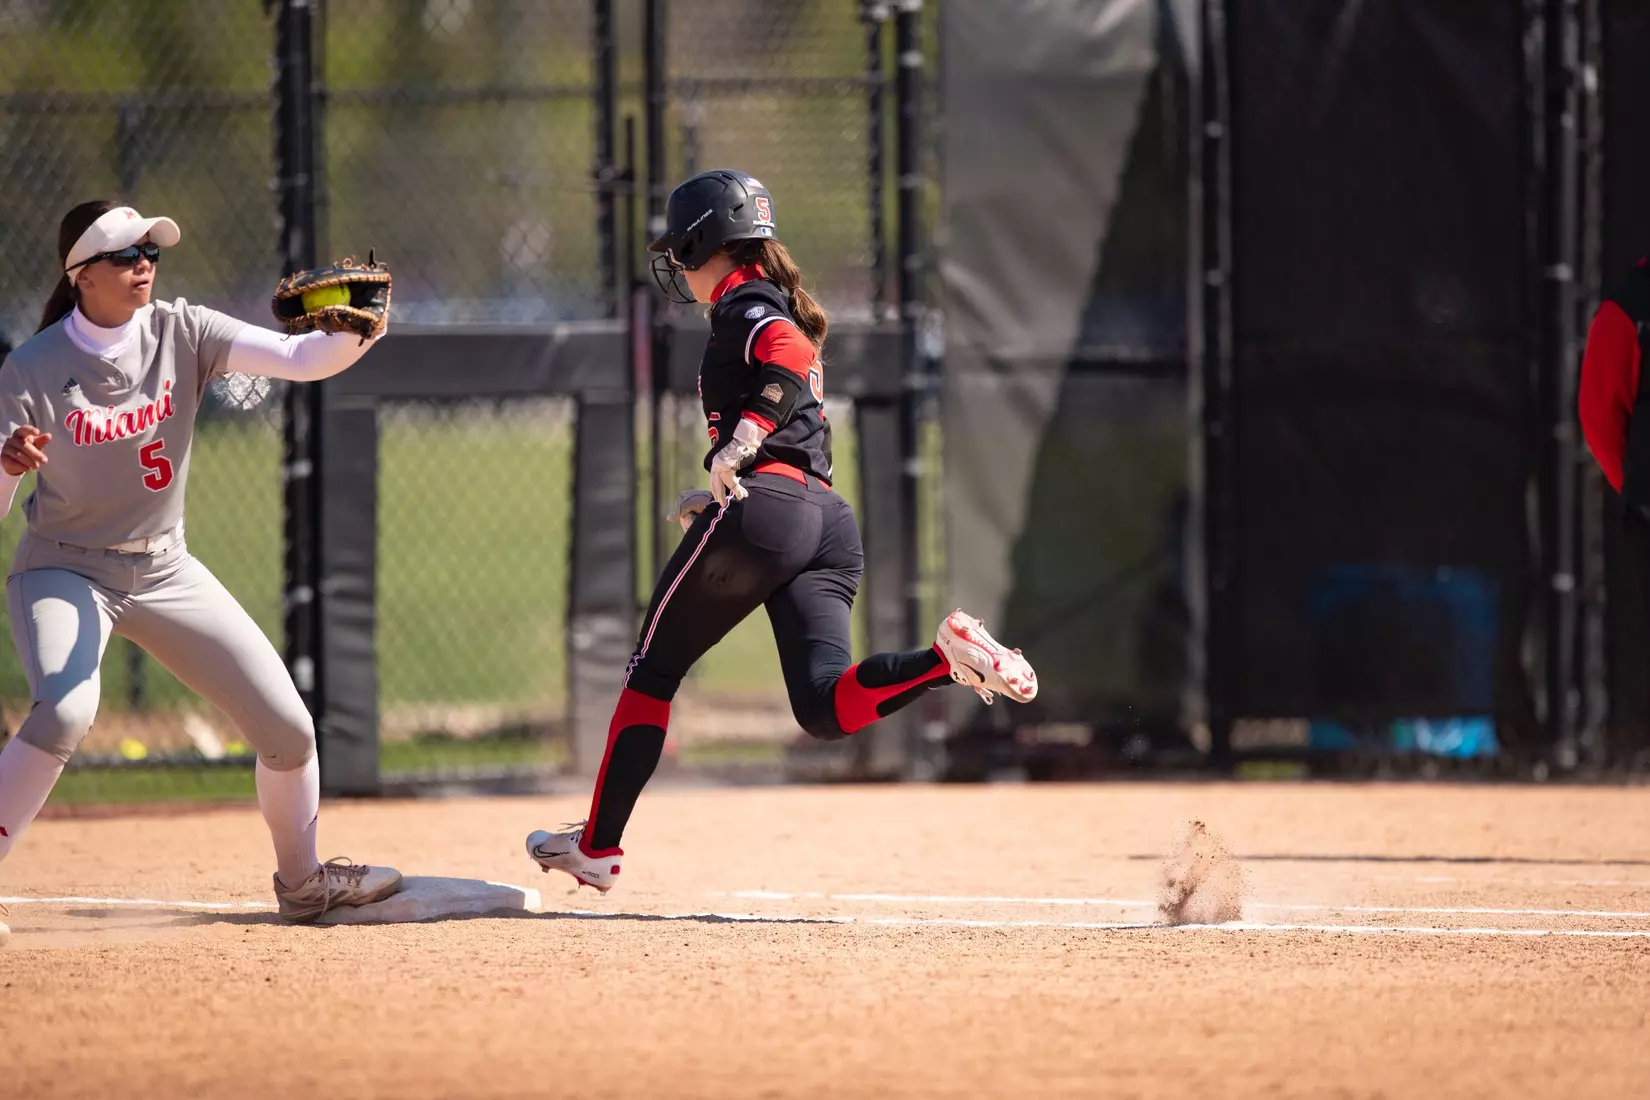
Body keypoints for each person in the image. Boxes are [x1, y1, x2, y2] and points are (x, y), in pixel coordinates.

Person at [523, 170, 1039, 892]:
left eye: (682, 247)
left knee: (652, 672)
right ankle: (943, 659)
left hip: (770, 510)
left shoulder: (746, 304)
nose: (676, 262)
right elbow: (792, 422)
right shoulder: (753, 303)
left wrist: (744, 442)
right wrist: (724, 477)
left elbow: (790, 357)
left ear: (709, 240)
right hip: (823, 521)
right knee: (825, 708)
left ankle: (599, 847)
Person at [0, 199, 403, 927]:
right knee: (65, 709)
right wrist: (6, 467)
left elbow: (299, 359)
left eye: (150, 252)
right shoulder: (31, 367)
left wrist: (354, 332)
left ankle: (304, 882)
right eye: (126, 255)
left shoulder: (184, 329)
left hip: (164, 567)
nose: (144, 264)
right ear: (83, 274)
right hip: (63, 569)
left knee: (289, 732)